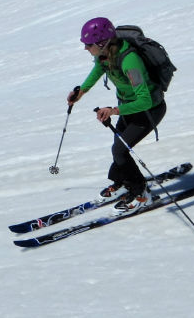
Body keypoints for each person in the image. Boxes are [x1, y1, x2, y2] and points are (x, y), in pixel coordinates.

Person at [67, 17, 166, 215]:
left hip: (148, 111)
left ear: (102, 43)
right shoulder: (105, 55)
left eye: (88, 45)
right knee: (117, 147)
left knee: (120, 150)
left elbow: (145, 100)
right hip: (128, 108)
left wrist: (113, 111)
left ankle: (141, 194)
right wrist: (81, 92)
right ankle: (122, 182)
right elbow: (97, 70)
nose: (86, 49)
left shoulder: (130, 61)